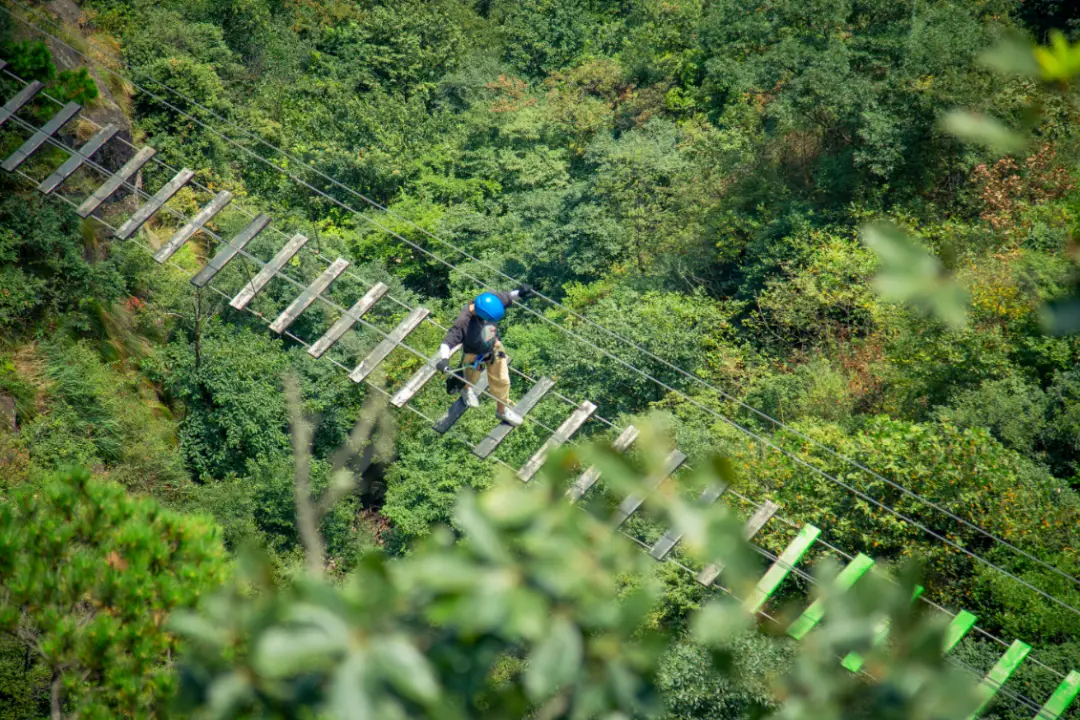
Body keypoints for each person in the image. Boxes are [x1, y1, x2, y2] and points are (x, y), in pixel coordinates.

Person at [435, 285, 537, 426]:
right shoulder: (463, 322)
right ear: (478, 313)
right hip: (473, 354)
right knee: (470, 378)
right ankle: (467, 390)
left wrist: (520, 293)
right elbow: (447, 342)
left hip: (494, 347)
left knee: (502, 380)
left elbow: (507, 296)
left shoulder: (490, 301)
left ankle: (502, 410)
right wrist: (444, 360)